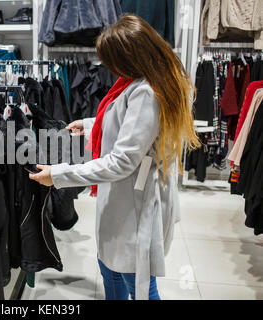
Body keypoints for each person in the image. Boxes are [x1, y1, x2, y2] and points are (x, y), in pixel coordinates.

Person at [29, 14, 200, 300]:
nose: (110, 67)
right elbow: (129, 126)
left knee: (137, 282)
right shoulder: (138, 83)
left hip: (133, 200)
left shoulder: (146, 92)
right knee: (110, 268)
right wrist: (90, 124)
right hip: (123, 197)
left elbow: (122, 160)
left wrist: (59, 175)